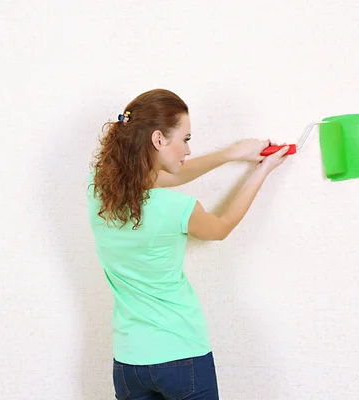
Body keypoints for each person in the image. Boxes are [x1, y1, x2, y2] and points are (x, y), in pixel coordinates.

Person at [86, 88, 290, 400]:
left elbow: (170, 176)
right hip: (181, 355)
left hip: (128, 364)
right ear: (158, 139)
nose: (188, 150)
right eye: (186, 139)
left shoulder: (99, 194)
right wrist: (262, 172)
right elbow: (220, 228)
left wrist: (232, 153)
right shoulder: (175, 208)